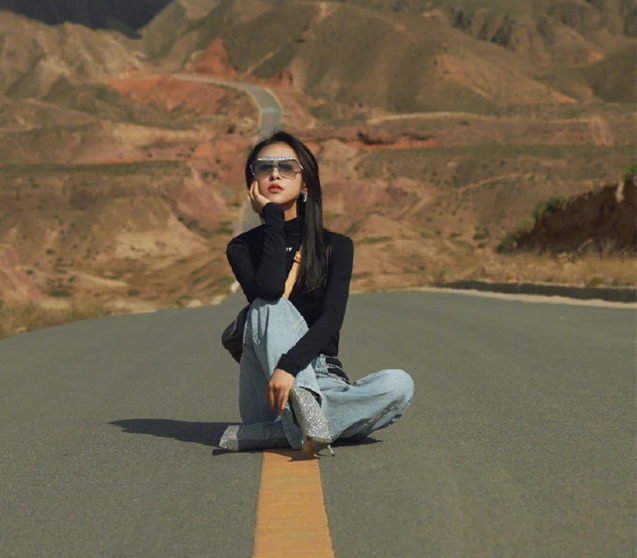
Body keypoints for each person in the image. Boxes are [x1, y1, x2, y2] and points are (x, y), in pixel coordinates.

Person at [219, 130, 414, 455]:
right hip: (268, 384)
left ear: (306, 182)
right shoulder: (241, 248)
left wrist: (291, 366)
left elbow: (332, 318)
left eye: (286, 167)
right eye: (264, 167)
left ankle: (277, 431)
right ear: (253, 183)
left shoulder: (336, 247)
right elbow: (269, 290)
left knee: (399, 385)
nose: (275, 174)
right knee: (267, 305)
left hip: (322, 375)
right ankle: (306, 417)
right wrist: (273, 218)